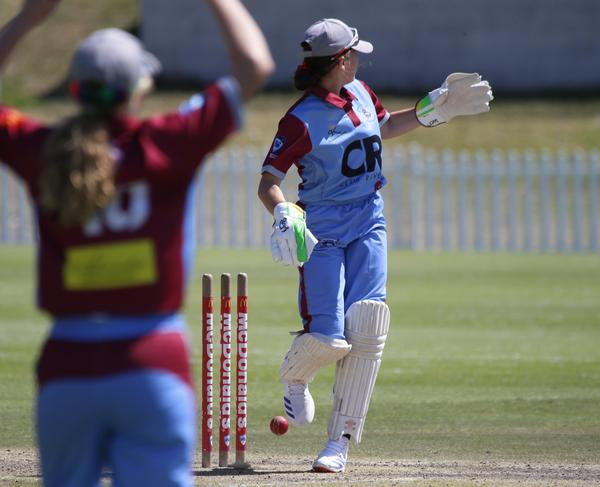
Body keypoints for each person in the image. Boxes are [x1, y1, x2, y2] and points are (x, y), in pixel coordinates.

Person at [0, 0, 273, 485]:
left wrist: (28, 18)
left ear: (76, 89)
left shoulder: (44, 150)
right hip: (152, 360)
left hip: (67, 364)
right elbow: (255, 67)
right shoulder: (164, 142)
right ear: (140, 89)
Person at [258, 18, 492, 473]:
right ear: (340, 60)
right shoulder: (299, 119)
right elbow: (269, 179)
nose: (360, 60)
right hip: (321, 230)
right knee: (329, 336)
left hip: (369, 220)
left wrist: (434, 110)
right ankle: (295, 375)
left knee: (368, 325)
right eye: (355, 54)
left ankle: (338, 444)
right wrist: (284, 211)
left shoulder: (361, 92)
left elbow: (383, 127)